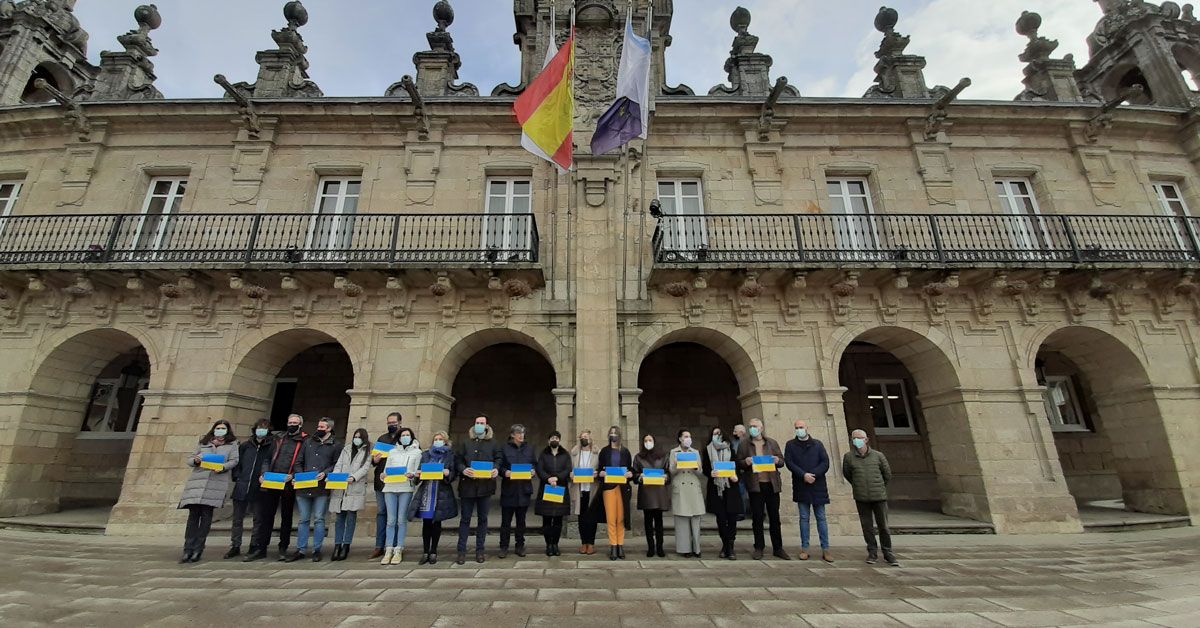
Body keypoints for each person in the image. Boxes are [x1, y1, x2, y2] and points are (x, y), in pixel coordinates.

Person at [178, 420, 239, 563]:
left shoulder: (232, 445)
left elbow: (234, 461)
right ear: (213, 429)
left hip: (215, 484)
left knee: (206, 518)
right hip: (198, 483)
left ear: (228, 430)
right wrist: (196, 460)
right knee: (193, 517)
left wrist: (223, 467)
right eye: (218, 428)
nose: (220, 430)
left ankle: (198, 550)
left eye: (223, 428)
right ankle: (187, 549)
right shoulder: (204, 442)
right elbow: (190, 459)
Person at [248, 413, 306, 562]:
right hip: (272, 480)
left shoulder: (305, 440)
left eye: (295, 423)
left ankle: (283, 548)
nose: (292, 425)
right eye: (290, 422)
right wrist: (263, 473)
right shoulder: (278, 438)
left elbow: (303, 461)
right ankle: (261, 548)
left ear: (300, 425)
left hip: (288, 483)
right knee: (266, 515)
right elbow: (267, 459)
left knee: (286, 517)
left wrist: (293, 475)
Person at [736, 418, 790, 561]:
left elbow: (782, 461)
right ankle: (759, 547)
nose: (752, 428)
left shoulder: (772, 443)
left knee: (774, 517)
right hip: (755, 485)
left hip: (772, 485)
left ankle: (778, 547)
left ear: (761, 428)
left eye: (755, 426)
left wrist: (778, 461)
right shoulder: (744, 444)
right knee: (757, 517)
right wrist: (745, 462)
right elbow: (738, 463)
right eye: (750, 426)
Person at [287, 417, 340, 562]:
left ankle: (317, 549)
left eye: (323, 427)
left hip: (321, 487)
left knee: (319, 518)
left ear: (329, 429)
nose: (319, 429)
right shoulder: (308, 442)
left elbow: (336, 464)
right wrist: (300, 474)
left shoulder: (335, 445)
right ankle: (301, 549)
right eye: (319, 426)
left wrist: (326, 473)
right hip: (304, 485)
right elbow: (298, 461)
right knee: (303, 519)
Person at [842, 429, 897, 566]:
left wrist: (879, 487)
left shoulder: (878, 456)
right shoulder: (849, 457)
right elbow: (848, 474)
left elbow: (887, 474)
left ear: (866, 439)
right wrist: (859, 486)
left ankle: (888, 552)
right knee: (867, 526)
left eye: (859, 438)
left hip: (878, 496)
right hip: (861, 497)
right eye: (854, 438)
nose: (856, 440)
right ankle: (872, 552)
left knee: (883, 526)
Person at [784, 419, 832, 563]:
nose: (799, 429)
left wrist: (813, 474)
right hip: (801, 485)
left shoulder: (817, 444)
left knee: (821, 518)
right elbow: (789, 462)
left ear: (807, 428)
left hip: (818, 485)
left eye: (801, 427)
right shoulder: (790, 445)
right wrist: (803, 475)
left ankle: (826, 549)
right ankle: (805, 548)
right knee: (804, 518)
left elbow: (825, 462)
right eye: (797, 427)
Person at [455, 415, 500, 564]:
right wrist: (463, 469)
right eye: (477, 423)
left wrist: (496, 469)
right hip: (467, 485)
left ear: (487, 426)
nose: (479, 425)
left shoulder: (493, 443)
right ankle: (461, 551)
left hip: (485, 486)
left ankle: (480, 550)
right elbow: (458, 460)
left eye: (482, 423)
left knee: (483, 519)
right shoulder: (466, 443)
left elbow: (498, 459)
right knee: (465, 519)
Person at [411, 430, 458, 565]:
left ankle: (434, 551)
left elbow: (453, 473)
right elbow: (419, 471)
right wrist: (417, 475)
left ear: (445, 441)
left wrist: (448, 473)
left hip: (441, 491)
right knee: (426, 522)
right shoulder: (425, 455)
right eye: (436, 439)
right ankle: (425, 551)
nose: (438, 441)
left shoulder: (449, 455)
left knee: (437, 522)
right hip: (427, 491)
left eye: (440, 439)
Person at [226, 418, 271, 559]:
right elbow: (237, 463)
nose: (261, 430)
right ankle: (235, 545)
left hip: (259, 487)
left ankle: (254, 544)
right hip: (242, 485)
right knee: (237, 519)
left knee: (258, 519)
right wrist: (237, 477)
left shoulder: (271, 447)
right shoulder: (245, 446)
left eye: (264, 428)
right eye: (259, 427)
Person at [328, 427, 372, 562]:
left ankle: (346, 545)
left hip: (354, 486)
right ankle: (337, 545)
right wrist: (334, 477)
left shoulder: (368, 450)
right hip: (341, 486)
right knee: (339, 517)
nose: (356, 439)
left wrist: (354, 477)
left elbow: (365, 467)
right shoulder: (346, 449)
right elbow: (339, 464)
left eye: (359, 437)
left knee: (351, 517)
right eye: (355, 436)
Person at [591, 425, 633, 561]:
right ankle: (613, 546)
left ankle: (620, 544)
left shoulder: (625, 452)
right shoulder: (604, 451)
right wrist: (601, 473)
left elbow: (630, 469)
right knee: (611, 517)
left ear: (619, 435)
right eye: (611, 433)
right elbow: (599, 469)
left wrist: (629, 474)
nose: (613, 435)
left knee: (621, 517)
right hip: (608, 487)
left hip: (622, 487)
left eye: (615, 433)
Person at [381, 426, 422, 565]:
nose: (405, 437)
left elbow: (417, 473)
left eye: (407, 435)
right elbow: (386, 469)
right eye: (403, 435)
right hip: (390, 487)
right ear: (399, 437)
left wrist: (412, 476)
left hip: (405, 487)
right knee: (390, 520)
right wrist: (383, 475)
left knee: (400, 519)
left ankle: (399, 548)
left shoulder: (417, 452)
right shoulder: (392, 452)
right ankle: (388, 549)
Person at [704, 425, 742, 560]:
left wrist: (736, 476)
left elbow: (737, 466)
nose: (717, 436)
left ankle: (730, 547)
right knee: (721, 519)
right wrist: (710, 473)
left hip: (731, 488)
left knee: (732, 518)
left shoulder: (730, 449)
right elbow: (705, 468)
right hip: (716, 488)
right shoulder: (707, 450)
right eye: (714, 434)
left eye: (719, 433)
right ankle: (725, 545)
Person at [498, 423, 536, 558]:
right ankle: (503, 546)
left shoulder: (530, 449)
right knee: (506, 522)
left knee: (521, 521)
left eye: (523, 433)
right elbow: (500, 466)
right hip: (509, 490)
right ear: (513, 435)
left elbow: (534, 464)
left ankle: (520, 545)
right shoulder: (504, 448)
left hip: (524, 490)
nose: (521, 435)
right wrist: (505, 472)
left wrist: (533, 471)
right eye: (518, 433)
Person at [370, 412, 403, 560]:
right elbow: (373, 462)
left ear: (400, 422)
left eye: (394, 423)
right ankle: (379, 545)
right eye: (389, 423)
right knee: (382, 512)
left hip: (397, 482)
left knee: (395, 515)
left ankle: (395, 545)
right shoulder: (382, 439)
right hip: (381, 482)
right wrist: (375, 461)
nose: (391, 425)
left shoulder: (405, 438)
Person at [668, 429, 705, 558]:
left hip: (693, 486)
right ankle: (685, 549)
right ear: (680, 439)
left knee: (695, 518)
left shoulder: (695, 452)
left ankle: (697, 548)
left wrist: (695, 467)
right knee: (681, 520)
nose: (688, 438)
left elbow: (700, 472)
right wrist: (677, 465)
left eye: (689, 436)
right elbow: (671, 471)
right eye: (685, 436)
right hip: (680, 486)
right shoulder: (674, 452)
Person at [632, 432, 669, 558]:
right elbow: (635, 474)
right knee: (648, 522)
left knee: (659, 522)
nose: (648, 442)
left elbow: (669, 472)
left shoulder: (663, 456)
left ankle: (660, 547)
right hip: (646, 493)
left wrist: (666, 476)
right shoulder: (638, 457)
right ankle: (651, 548)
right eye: (646, 440)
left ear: (654, 441)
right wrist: (639, 476)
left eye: (650, 440)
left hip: (659, 492)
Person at [535, 430, 571, 556]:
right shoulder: (543, 454)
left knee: (558, 520)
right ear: (548, 440)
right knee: (547, 519)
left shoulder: (565, 454)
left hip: (560, 489)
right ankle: (548, 545)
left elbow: (567, 469)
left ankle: (555, 544)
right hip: (547, 489)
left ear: (559, 440)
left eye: (556, 438)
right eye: (552, 438)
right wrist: (548, 478)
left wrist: (557, 478)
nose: (554, 440)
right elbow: (539, 469)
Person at [570, 429, 599, 555]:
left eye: (586, 436)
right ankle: (583, 543)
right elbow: (570, 469)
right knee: (581, 518)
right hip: (580, 489)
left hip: (592, 489)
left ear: (590, 438)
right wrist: (571, 474)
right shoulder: (575, 453)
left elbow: (601, 467)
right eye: (582, 437)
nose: (584, 439)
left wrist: (597, 473)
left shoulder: (597, 453)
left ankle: (591, 543)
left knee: (592, 517)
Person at [731, 423, 750, 520]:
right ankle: (741, 512)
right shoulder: (734, 442)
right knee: (740, 491)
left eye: (735, 430)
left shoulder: (748, 442)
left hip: (748, 471)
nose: (733, 432)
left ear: (741, 432)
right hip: (737, 471)